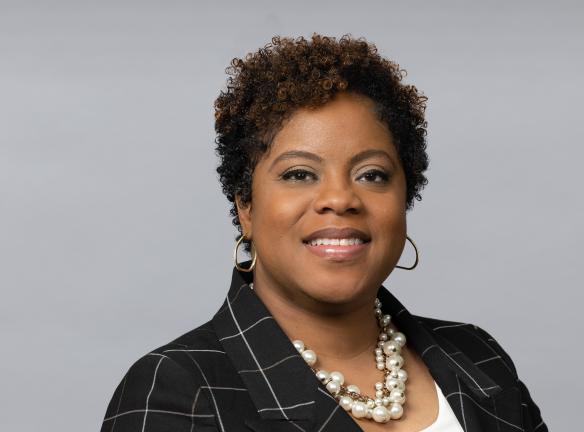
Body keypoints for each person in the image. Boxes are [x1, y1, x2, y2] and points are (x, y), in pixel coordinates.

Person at [100, 34, 547, 432]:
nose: (340, 198)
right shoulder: (180, 390)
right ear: (246, 207)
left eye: (372, 175)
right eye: (299, 174)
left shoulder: (476, 356)